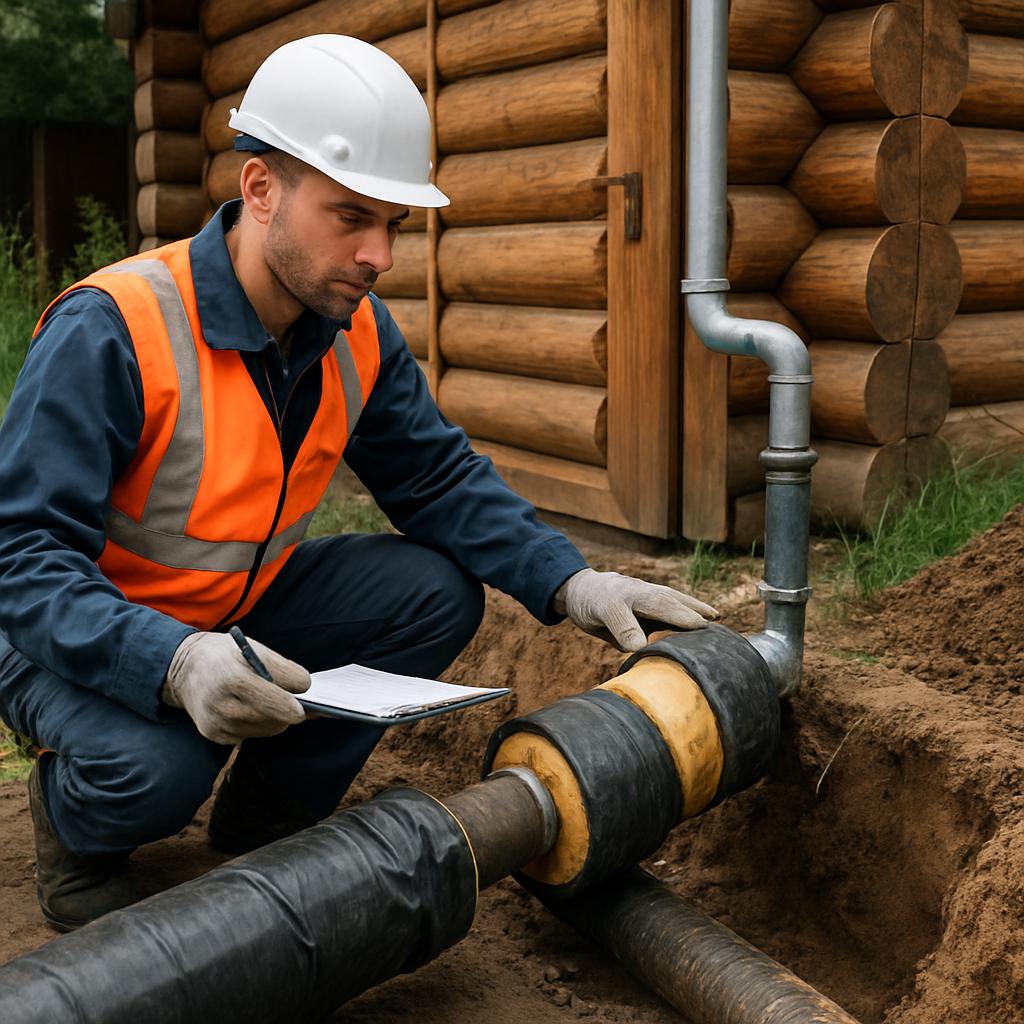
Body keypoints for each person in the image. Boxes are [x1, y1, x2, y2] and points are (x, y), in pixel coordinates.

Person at [0, 35, 717, 932]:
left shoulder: (355, 331)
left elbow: (438, 479)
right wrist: (172, 661)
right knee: (160, 768)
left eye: (396, 226)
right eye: (351, 217)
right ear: (261, 190)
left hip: (225, 607)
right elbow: (20, 558)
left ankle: (266, 813)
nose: (380, 254)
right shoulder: (115, 327)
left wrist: (570, 579)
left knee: (431, 594)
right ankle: (78, 835)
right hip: (66, 629)